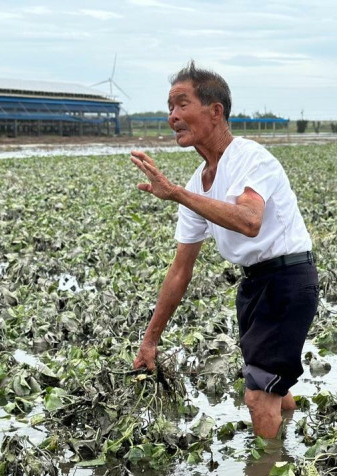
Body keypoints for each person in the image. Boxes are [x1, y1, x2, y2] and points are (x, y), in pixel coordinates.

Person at [131, 61, 318, 439]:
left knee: (256, 394)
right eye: (170, 107)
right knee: (272, 387)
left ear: (215, 111)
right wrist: (150, 340)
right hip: (254, 287)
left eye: (182, 104)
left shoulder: (250, 157)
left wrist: (179, 195)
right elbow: (180, 270)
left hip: (287, 279)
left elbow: (250, 221)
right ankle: (292, 444)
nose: (173, 117)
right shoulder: (197, 183)